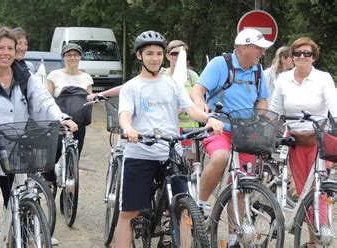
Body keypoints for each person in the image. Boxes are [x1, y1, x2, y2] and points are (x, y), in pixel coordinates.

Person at [0, 27, 76, 247]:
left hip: (13, 151)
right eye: (0, 48)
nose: (6, 53)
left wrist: (60, 118)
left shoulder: (25, 76)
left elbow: (43, 101)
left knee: (20, 202)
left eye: (10, 48)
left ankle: (25, 238)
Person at [115, 30, 224, 247]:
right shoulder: (131, 87)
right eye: (149, 54)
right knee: (129, 212)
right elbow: (124, 114)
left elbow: (190, 108)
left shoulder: (172, 84)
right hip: (140, 153)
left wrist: (209, 119)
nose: (154, 58)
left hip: (170, 153)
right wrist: (128, 129)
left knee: (184, 208)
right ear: (139, 56)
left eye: (158, 53)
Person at [189, 28, 272, 246]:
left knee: (243, 183)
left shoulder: (257, 70)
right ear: (244, 48)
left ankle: (235, 234)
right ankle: (200, 204)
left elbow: (263, 100)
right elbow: (197, 91)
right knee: (220, 157)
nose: (262, 52)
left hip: (245, 131)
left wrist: (261, 118)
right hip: (219, 127)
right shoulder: (220, 64)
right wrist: (201, 106)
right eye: (259, 48)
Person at [270, 37, 337, 246]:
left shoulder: (323, 79)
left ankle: (319, 236)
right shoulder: (284, 79)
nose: (302, 57)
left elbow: (334, 107)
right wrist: (262, 132)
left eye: (307, 53)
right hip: (295, 142)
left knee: (319, 190)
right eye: (297, 53)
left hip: (318, 142)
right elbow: (274, 111)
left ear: (313, 57)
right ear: (292, 57)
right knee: (303, 192)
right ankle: (312, 239)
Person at [46, 43, 93, 157]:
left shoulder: (86, 77)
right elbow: (47, 97)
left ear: (80, 57)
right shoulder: (54, 75)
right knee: (54, 154)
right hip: (59, 121)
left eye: (76, 55)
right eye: (69, 55)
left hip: (79, 122)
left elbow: (90, 99)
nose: (72, 58)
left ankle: (71, 174)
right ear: (64, 57)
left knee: (75, 155)